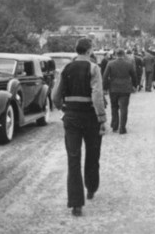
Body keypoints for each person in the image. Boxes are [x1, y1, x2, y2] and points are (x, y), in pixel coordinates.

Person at [52, 38, 107, 217]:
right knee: (93, 153)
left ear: (76, 50)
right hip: (90, 116)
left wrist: (63, 108)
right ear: (90, 50)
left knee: (73, 159)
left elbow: (55, 96)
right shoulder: (93, 68)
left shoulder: (66, 68)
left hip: (72, 117)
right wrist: (101, 117)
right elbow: (97, 95)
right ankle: (91, 187)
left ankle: (76, 204)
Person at [102, 48, 137, 134]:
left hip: (113, 88)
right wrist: (134, 86)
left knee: (114, 107)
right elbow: (134, 75)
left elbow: (105, 76)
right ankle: (122, 128)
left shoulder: (110, 63)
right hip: (125, 89)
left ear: (115, 55)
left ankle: (115, 126)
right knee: (124, 108)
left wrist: (105, 87)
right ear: (124, 55)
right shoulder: (129, 64)